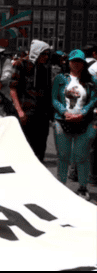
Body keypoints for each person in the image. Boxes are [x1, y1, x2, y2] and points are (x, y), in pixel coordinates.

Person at [51, 50, 97, 201]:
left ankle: (83, 187)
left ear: (84, 63)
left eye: (79, 61)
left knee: (82, 156)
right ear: (68, 62)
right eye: (73, 60)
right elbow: (54, 99)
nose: (76, 64)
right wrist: (64, 112)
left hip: (83, 122)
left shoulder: (91, 80)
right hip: (62, 121)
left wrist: (83, 113)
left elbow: (93, 100)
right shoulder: (60, 78)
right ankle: (61, 185)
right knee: (63, 156)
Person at [10, 40, 53, 162]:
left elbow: (48, 91)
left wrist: (50, 114)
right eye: (43, 53)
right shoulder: (20, 65)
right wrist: (19, 111)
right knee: (25, 147)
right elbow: (13, 88)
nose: (46, 57)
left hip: (42, 115)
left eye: (47, 54)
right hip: (26, 113)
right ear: (36, 52)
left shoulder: (46, 67)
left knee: (40, 149)